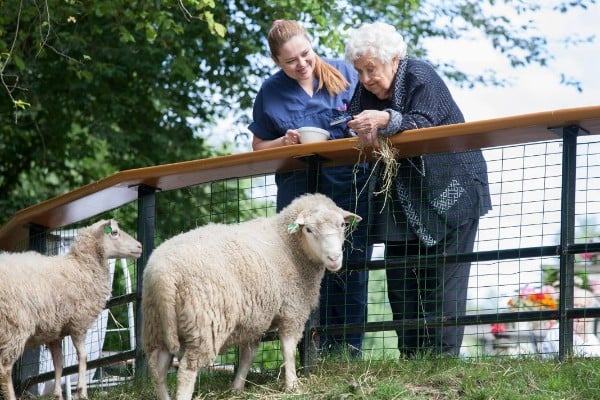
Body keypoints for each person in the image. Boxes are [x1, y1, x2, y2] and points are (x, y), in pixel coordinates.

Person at [344, 22, 492, 357]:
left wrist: (383, 121)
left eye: (371, 68)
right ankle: (410, 358)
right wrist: (357, 130)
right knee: (400, 281)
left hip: (452, 191)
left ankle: (442, 362)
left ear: (393, 59)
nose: (366, 78)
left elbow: (422, 125)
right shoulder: (367, 90)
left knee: (444, 283)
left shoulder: (421, 76)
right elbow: (352, 117)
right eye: (359, 71)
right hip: (404, 198)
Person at [248, 20, 372, 357]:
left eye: (306, 54)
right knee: (298, 271)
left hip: (348, 187)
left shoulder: (345, 71)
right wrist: (282, 142)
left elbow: (375, 115)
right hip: (298, 194)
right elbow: (259, 145)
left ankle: (348, 351)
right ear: (277, 62)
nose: (302, 64)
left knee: (350, 265)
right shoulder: (270, 92)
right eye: (291, 61)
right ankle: (305, 354)